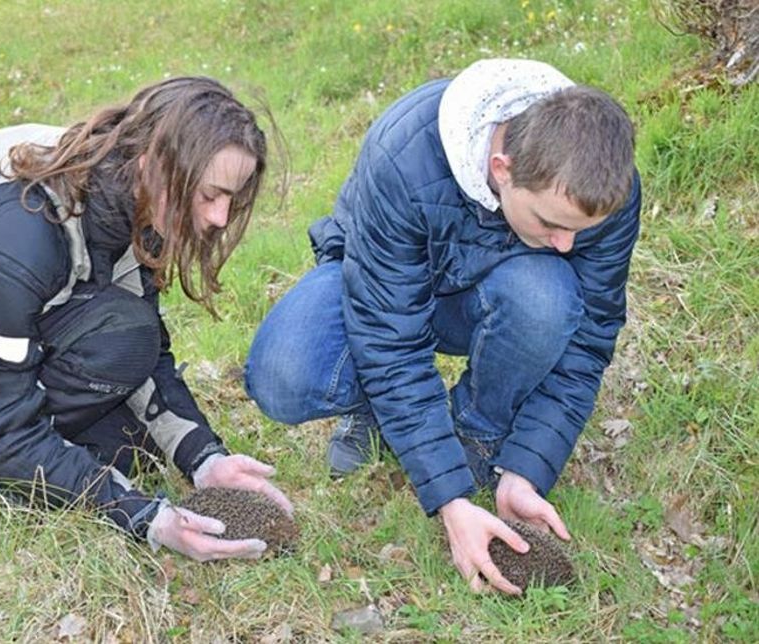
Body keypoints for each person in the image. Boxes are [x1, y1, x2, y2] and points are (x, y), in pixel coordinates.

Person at [0, 76, 292, 562]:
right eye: (210, 195)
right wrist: (145, 518)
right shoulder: (21, 234)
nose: (220, 218)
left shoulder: (142, 196)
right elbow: (114, 346)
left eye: (232, 200)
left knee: (128, 446)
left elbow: (149, 354)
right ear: (157, 164)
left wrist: (204, 458)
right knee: (65, 388)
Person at [244, 59, 640, 593]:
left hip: (497, 291)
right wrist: (450, 501)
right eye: (550, 224)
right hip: (379, 284)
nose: (567, 244)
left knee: (548, 298)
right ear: (502, 168)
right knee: (283, 374)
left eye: (579, 231)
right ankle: (374, 413)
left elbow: (587, 343)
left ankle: (479, 433)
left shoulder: (600, 183)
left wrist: (526, 469)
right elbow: (389, 337)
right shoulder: (405, 158)